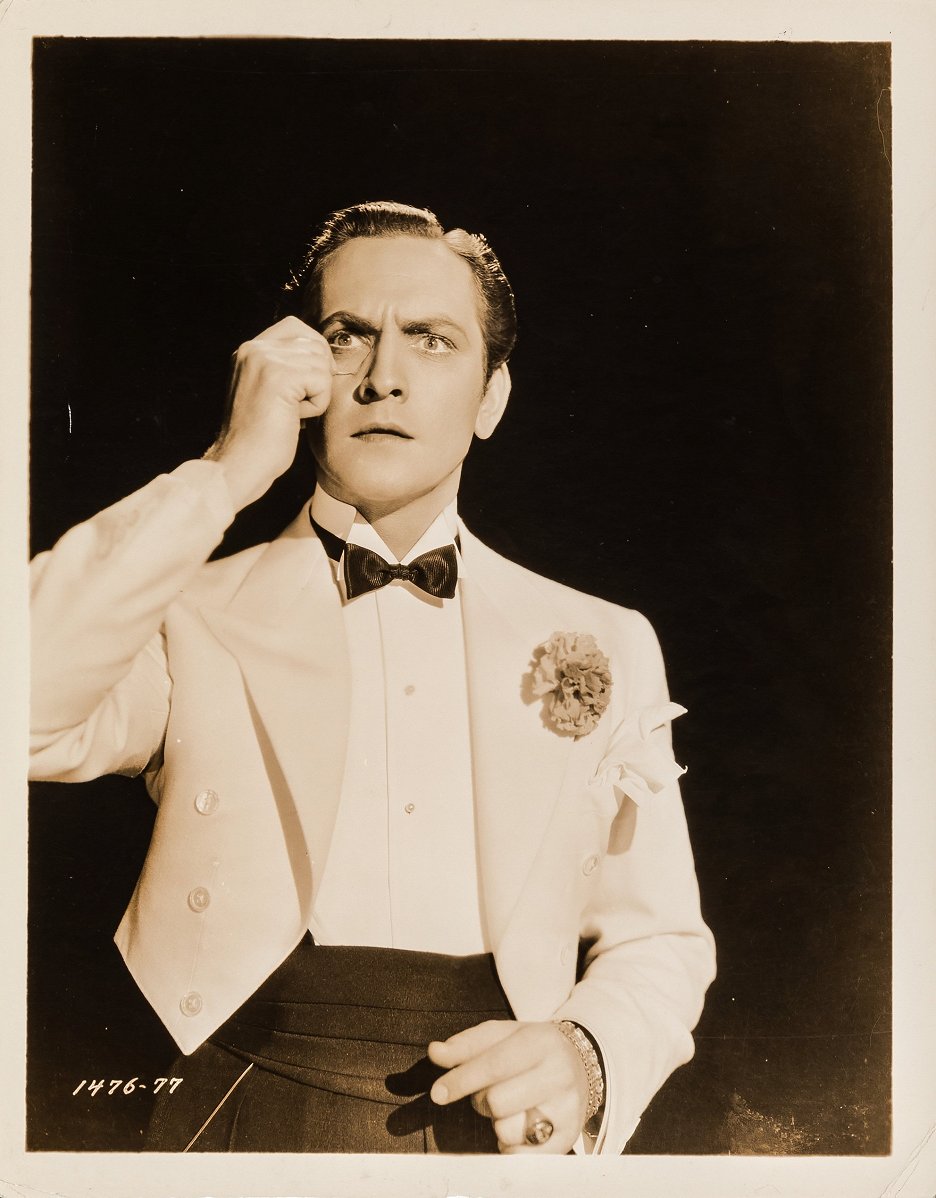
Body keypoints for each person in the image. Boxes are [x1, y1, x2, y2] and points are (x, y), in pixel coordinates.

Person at [29, 201, 715, 1155]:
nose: (383, 376)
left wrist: (588, 1053)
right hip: (242, 1115)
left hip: (499, 1129)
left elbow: (660, 938)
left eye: (432, 340)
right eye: (348, 335)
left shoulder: (608, 639)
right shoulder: (187, 612)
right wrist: (227, 471)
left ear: (491, 398)